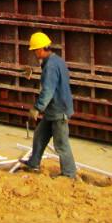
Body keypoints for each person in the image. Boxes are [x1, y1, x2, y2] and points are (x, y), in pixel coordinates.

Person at [20, 31, 77, 179]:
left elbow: (48, 90)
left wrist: (37, 108)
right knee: (40, 135)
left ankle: (69, 173)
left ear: (40, 49)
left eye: (34, 51)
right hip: (54, 109)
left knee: (61, 144)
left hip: (59, 110)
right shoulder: (58, 61)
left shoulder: (50, 66)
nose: (34, 54)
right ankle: (34, 163)